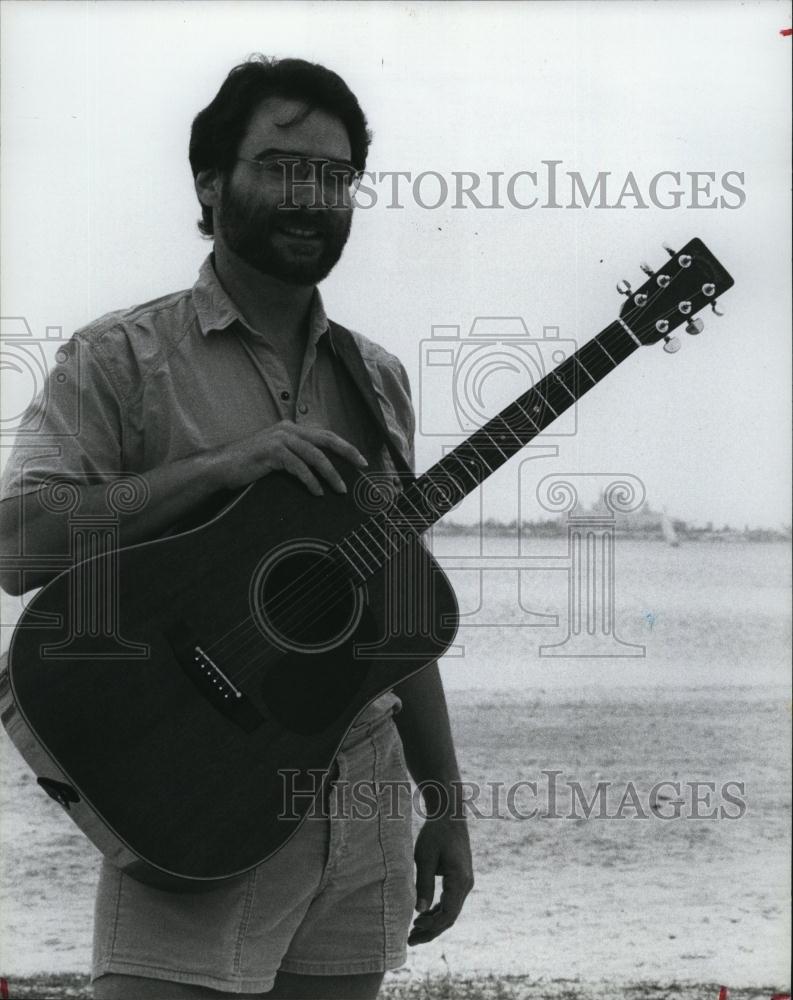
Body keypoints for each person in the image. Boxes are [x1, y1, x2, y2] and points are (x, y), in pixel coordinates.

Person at [0, 56, 473, 999]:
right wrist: (223, 467)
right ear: (210, 184)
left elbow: (384, 619)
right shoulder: (121, 359)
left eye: (335, 176)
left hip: (363, 799)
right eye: (283, 167)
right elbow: (19, 545)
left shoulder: (375, 383)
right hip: (196, 789)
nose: (312, 197)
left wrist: (445, 803)